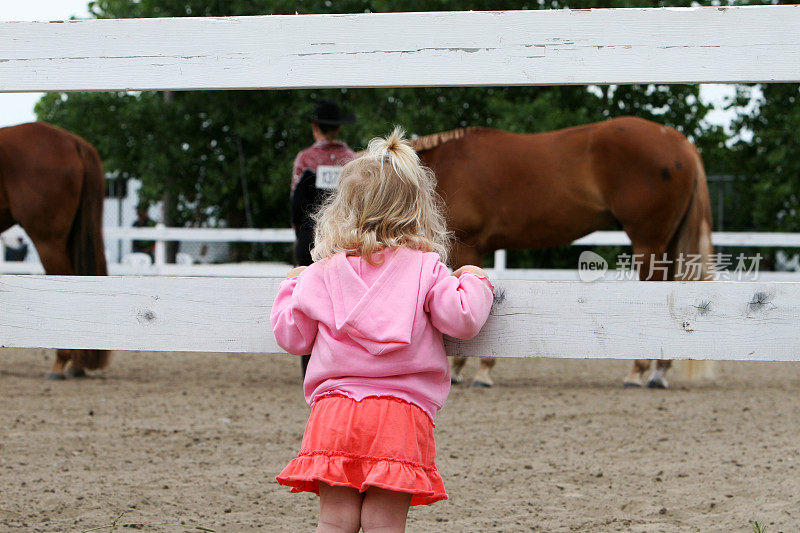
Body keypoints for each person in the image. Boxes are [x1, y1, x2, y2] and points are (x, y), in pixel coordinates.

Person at [271, 127, 494, 532]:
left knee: (335, 522)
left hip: (334, 412)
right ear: (416, 209)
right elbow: (462, 319)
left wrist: (292, 285)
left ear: (342, 208)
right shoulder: (426, 268)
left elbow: (292, 337)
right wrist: (475, 279)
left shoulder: (321, 274)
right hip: (400, 415)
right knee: (383, 524)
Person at [291, 99, 357, 377]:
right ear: (338, 129)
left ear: (316, 127)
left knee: (309, 301)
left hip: (311, 240)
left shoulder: (305, 159)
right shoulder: (353, 161)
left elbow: (295, 204)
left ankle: (311, 367)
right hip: (346, 240)